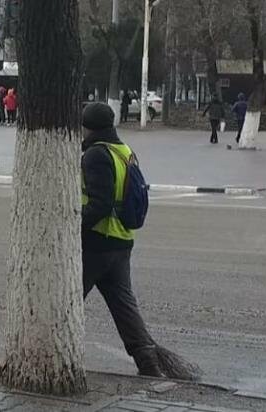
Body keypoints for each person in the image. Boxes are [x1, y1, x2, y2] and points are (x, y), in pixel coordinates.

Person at [81, 103, 164, 378]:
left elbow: (100, 204)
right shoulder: (124, 151)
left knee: (65, 299)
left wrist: (74, 228)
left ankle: (45, 350)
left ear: (89, 127)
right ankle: (148, 361)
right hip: (122, 242)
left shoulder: (95, 154)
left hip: (97, 243)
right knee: (124, 306)